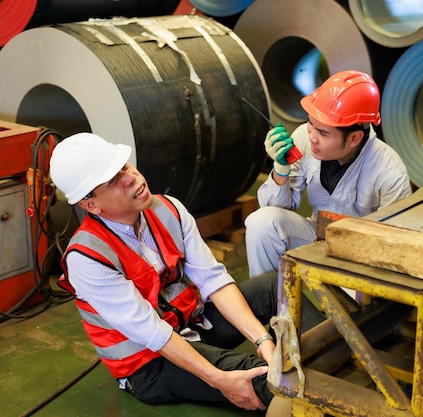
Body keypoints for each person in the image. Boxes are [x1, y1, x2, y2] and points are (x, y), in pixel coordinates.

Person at [49, 132, 323, 411]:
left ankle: (328, 355)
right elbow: (154, 334)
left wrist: (262, 338)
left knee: (274, 287)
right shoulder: (87, 259)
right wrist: (221, 381)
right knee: (258, 375)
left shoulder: (168, 209)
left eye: (125, 167)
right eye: (113, 181)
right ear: (91, 204)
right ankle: (323, 392)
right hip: (151, 362)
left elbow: (213, 280)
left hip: (193, 325)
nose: (131, 177)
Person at [245, 70, 412, 278]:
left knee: (353, 307)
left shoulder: (389, 171)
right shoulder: (304, 139)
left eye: (323, 133)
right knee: (261, 222)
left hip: (361, 256)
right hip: (315, 235)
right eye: (310, 123)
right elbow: (279, 209)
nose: (312, 137)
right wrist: (281, 170)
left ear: (354, 138)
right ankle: (266, 302)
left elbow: (394, 245)